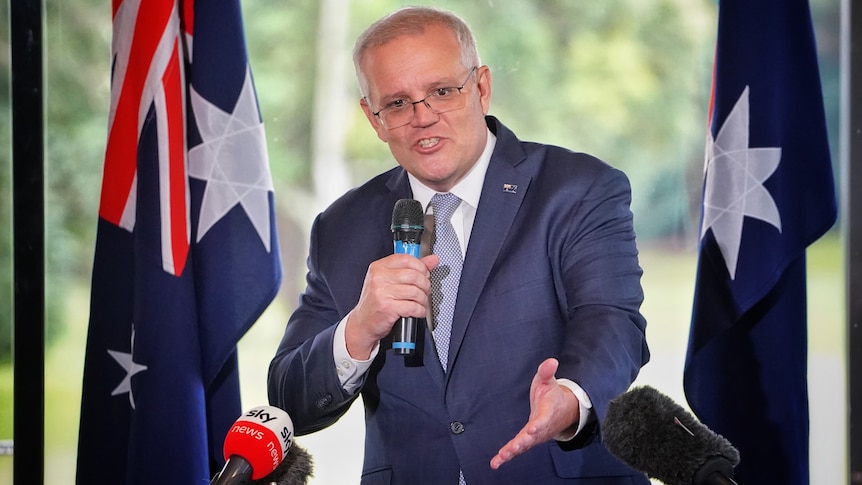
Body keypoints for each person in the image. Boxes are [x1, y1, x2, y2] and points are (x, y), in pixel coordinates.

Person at [268, 6, 650, 484]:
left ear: (482, 87)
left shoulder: (578, 189)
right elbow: (287, 398)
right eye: (398, 103)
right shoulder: (340, 227)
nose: (423, 118)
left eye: (442, 92)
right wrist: (358, 330)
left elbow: (613, 323)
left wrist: (571, 397)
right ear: (374, 118)